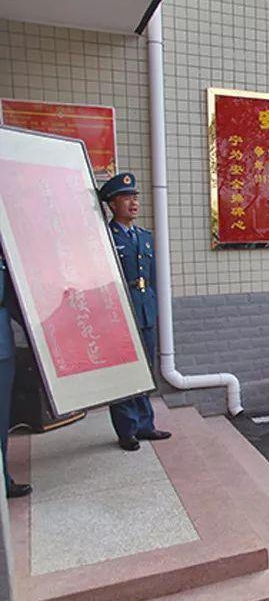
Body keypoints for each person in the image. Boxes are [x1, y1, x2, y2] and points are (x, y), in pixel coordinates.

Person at [100, 173, 170, 451]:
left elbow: (151, 276)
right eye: (126, 197)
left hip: (144, 309)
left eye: (135, 197)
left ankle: (145, 424)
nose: (134, 203)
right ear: (112, 204)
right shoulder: (106, 237)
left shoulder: (145, 237)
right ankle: (126, 428)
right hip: (119, 312)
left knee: (145, 370)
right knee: (123, 371)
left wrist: (154, 308)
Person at [0, 254, 30, 497]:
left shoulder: (5, 254)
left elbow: (13, 301)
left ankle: (2, 480)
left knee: (1, 418)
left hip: (2, 349)